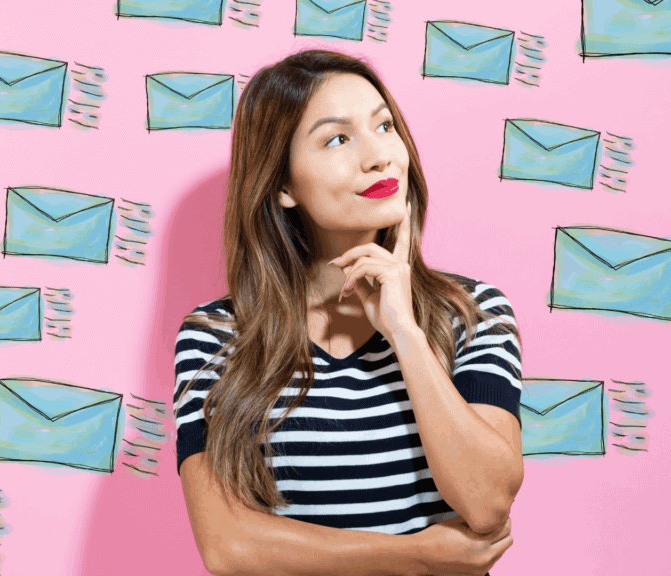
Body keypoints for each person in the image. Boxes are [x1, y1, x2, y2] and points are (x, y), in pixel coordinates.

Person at [172, 49, 524, 576]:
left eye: (385, 126)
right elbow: (229, 546)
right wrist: (418, 557)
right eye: (338, 139)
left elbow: (487, 499)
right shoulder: (217, 336)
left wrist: (404, 331)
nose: (380, 156)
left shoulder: (472, 313)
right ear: (283, 185)